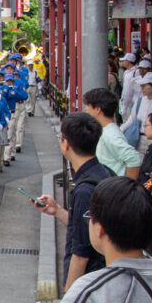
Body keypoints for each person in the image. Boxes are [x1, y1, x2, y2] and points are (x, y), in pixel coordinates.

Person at [35, 113, 114, 291]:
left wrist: (69, 296)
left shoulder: (85, 189)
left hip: (88, 281)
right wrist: (57, 211)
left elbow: (81, 253)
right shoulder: (104, 172)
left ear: (66, 143)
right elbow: (82, 225)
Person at [83, 88, 141, 178]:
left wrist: (128, 187)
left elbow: (133, 158)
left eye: (88, 106)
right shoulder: (106, 131)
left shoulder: (110, 134)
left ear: (98, 109)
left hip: (112, 187)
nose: (86, 109)